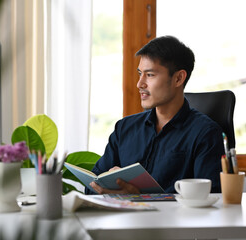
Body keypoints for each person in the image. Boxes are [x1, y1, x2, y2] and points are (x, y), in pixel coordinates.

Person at [86, 35, 224, 194]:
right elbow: (91, 187)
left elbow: (210, 198)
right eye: (140, 74)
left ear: (178, 78)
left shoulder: (205, 133)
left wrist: (140, 198)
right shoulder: (124, 129)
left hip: (175, 219)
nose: (140, 84)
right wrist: (105, 187)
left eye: (150, 75)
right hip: (122, 218)